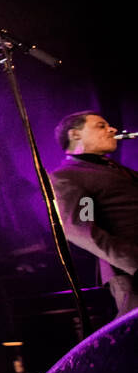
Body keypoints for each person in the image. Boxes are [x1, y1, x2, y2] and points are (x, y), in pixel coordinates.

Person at [49, 111, 138, 318]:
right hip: (130, 273)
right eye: (100, 125)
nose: (112, 129)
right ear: (75, 135)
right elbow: (82, 227)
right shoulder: (70, 176)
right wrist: (134, 262)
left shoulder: (117, 169)